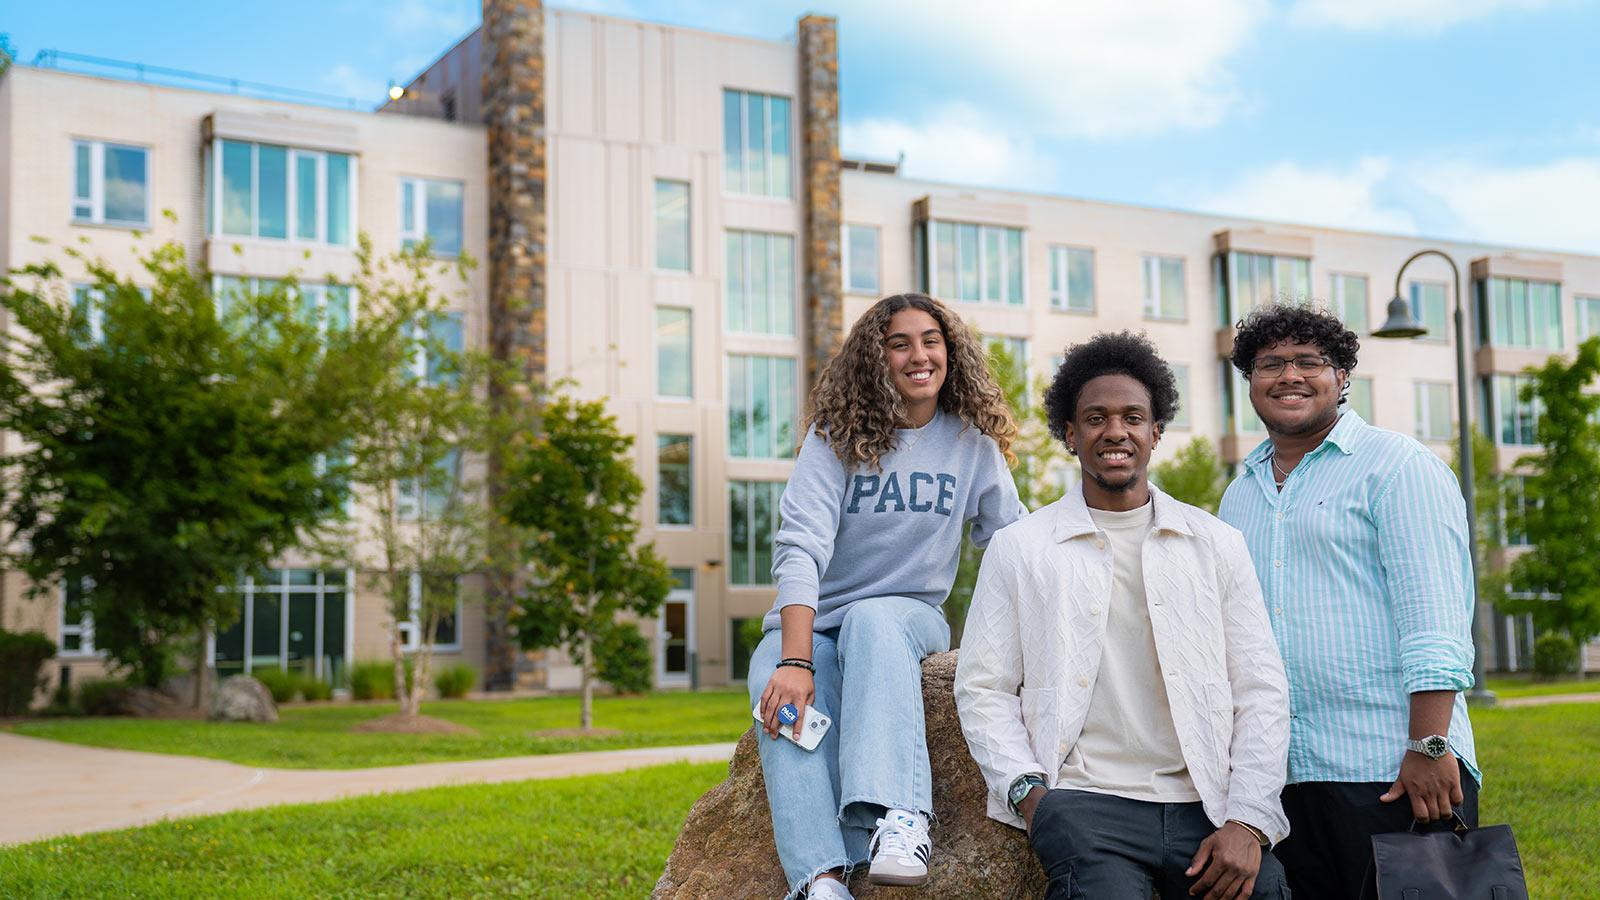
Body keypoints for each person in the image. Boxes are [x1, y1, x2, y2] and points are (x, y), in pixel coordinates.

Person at [956, 331, 1292, 900]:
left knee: (1267, 891)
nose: (1115, 431)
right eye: (1095, 418)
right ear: (1070, 433)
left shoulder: (1216, 544)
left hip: (1202, 805)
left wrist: (1248, 821)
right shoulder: (1020, 548)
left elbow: (1260, 688)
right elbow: (983, 687)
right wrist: (1032, 798)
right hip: (1084, 803)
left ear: (1156, 431)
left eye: (1133, 417)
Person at [749, 292, 1026, 900]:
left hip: (907, 618)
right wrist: (794, 662)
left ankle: (903, 818)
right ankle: (820, 879)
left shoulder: (971, 442)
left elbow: (1011, 546)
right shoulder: (835, 436)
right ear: (876, 358)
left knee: (873, 620)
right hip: (815, 627)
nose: (918, 355)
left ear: (950, 352)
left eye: (931, 340)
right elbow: (800, 546)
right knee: (781, 704)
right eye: (898, 343)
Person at [1217, 305, 1480, 900]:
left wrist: (1430, 745)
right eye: (1271, 364)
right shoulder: (1240, 494)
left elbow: (1435, 618)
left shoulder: (1398, 467)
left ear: (1342, 378)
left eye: (1310, 361)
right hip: (1283, 777)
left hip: (1390, 767)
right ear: (1250, 382)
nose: (1290, 375)